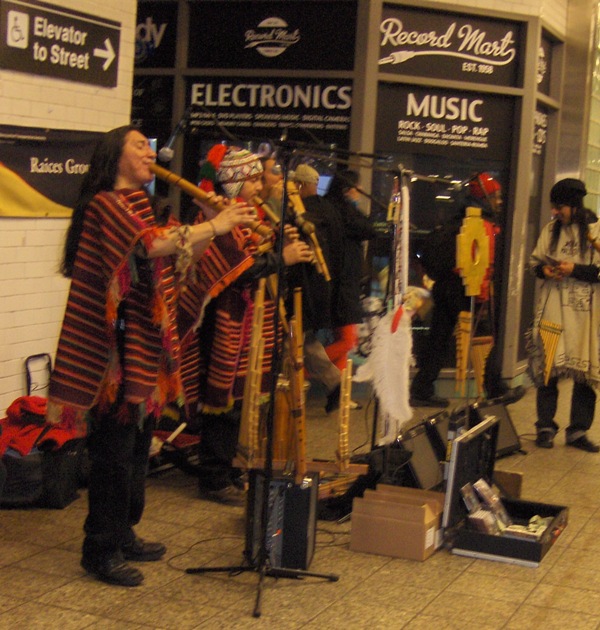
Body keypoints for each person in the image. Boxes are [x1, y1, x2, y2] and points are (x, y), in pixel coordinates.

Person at [45, 126, 255, 587]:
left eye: (148, 145)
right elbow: (150, 245)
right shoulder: (106, 205)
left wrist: (211, 229)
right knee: (113, 457)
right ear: (114, 155)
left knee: (138, 451)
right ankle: (98, 548)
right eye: (139, 144)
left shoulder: (142, 206)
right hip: (114, 355)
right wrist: (213, 224)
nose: (150, 151)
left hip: (144, 346)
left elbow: (177, 259)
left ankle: (123, 533)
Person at [184, 146, 312, 505]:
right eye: (253, 179)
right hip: (224, 318)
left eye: (260, 178)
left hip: (254, 317)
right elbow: (235, 269)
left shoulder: (253, 215)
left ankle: (233, 466)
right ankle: (213, 476)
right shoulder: (217, 216)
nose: (259, 186)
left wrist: (281, 244)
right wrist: (280, 257)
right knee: (222, 398)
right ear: (235, 183)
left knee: (245, 397)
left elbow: (256, 258)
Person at [410, 171, 523, 407]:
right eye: (496, 196)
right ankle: (494, 390)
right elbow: (481, 263)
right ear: (485, 197)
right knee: (483, 338)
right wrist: (482, 295)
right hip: (466, 290)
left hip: (446, 287)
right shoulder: (480, 224)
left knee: (439, 338)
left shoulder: (460, 219)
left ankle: (421, 388)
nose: (500, 201)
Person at [528, 178, 600, 452]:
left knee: (584, 374)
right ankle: (545, 426)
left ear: (574, 205)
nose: (555, 212)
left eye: (560, 207)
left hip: (586, 317)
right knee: (548, 370)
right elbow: (535, 263)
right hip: (554, 310)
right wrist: (544, 271)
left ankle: (578, 431)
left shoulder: (596, 230)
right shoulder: (550, 230)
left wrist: (575, 270)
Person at [290, 164, 347, 413]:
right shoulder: (331, 211)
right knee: (305, 341)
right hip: (324, 286)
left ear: (300, 185)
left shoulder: (298, 214)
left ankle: (286, 401)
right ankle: (336, 384)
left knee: (293, 341)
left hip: (301, 288)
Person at [324, 170, 377, 374]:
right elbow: (368, 229)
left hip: (342, 283)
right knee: (348, 341)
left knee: (344, 340)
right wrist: (352, 205)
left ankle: (338, 390)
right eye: (356, 188)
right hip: (342, 285)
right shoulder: (343, 212)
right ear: (347, 189)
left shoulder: (332, 208)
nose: (360, 191)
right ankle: (302, 370)